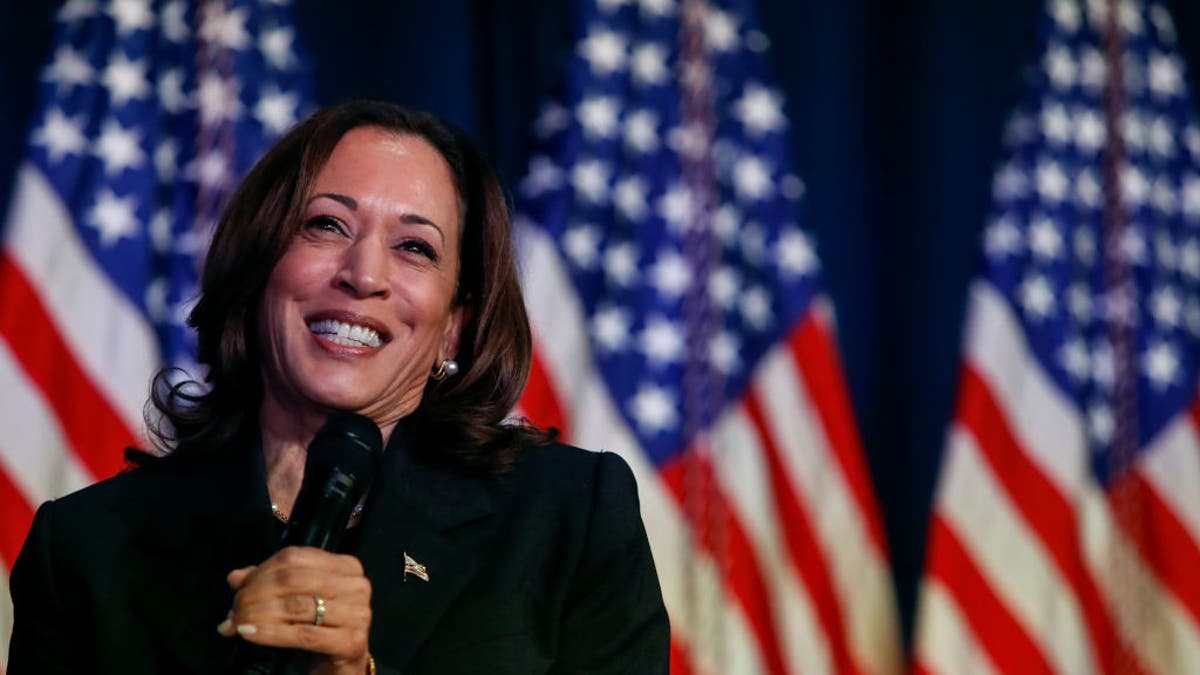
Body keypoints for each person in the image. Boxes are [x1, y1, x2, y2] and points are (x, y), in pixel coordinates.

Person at [7, 100, 670, 674]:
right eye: (326, 224)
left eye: (415, 247)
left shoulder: (568, 519)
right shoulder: (88, 549)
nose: (363, 273)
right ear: (261, 263)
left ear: (454, 324)